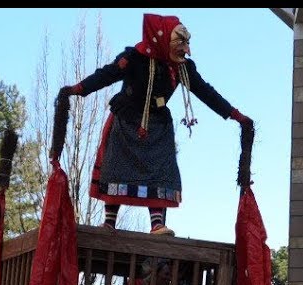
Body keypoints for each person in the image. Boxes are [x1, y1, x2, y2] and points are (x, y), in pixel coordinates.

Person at [61, 13, 253, 236]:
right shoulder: (134, 58)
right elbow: (108, 74)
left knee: (162, 171)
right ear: (162, 40)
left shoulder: (182, 68)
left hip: (158, 124)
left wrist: (235, 115)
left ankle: (157, 224)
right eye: (181, 44)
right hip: (127, 120)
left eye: (187, 44)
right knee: (115, 168)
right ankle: (109, 223)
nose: (186, 51)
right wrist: (77, 89)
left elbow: (206, 92)